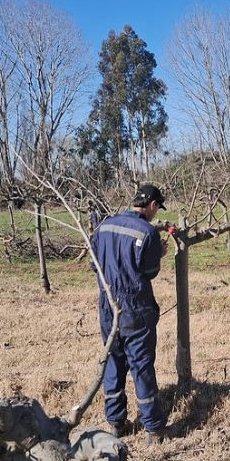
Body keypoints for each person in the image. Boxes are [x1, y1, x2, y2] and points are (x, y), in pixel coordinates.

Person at [91, 183, 170, 444]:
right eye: (157, 208)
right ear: (153, 205)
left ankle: (115, 422)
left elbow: (95, 265)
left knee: (113, 361)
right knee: (141, 365)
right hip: (136, 307)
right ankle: (153, 428)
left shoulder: (104, 226)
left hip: (107, 305)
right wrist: (159, 254)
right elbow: (149, 272)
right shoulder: (148, 232)